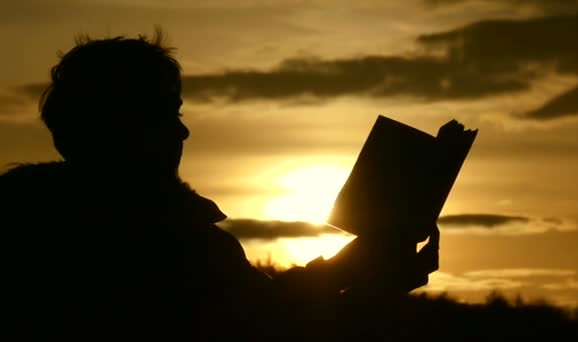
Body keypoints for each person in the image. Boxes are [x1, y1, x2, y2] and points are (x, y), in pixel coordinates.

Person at [1, 32, 439, 340]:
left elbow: (261, 308)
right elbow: (262, 327)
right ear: (119, 125)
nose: (182, 133)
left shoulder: (24, 221)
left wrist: (352, 269)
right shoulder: (171, 240)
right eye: (165, 114)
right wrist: (376, 285)